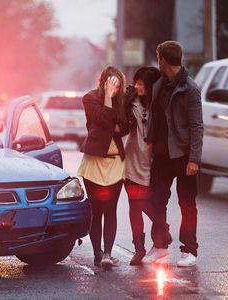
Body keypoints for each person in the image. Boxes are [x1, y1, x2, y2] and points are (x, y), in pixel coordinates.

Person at [143, 41, 203, 267]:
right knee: (156, 200)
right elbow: (155, 119)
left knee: (187, 204)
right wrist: (149, 144)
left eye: (158, 58)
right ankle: (159, 246)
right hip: (161, 155)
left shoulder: (190, 89)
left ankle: (189, 250)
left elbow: (197, 125)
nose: (157, 62)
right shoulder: (160, 85)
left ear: (163, 60)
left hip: (183, 155)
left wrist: (194, 159)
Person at [77, 66, 128, 269]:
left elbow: (125, 127)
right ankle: (97, 253)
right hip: (94, 161)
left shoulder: (123, 100)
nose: (114, 89)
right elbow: (106, 121)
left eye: (117, 85)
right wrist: (107, 99)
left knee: (111, 209)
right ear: (104, 82)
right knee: (96, 210)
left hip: (116, 162)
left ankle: (107, 253)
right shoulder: (90, 98)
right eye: (110, 83)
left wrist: (114, 123)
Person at [124, 66, 166, 265]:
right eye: (136, 82)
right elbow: (120, 114)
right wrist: (128, 95)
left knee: (147, 203)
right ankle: (138, 249)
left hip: (152, 163)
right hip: (131, 160)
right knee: (134, 205)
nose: (137, 86)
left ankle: (161, 228)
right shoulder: (131, 101)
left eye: (141, 83)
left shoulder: (159, 105)